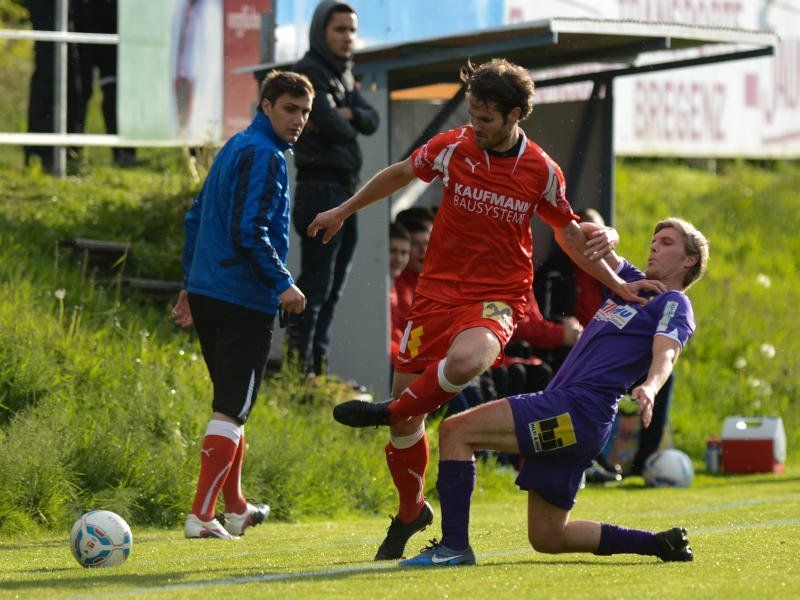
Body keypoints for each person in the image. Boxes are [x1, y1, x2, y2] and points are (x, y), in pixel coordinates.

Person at [310, 58, 663, 560]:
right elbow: (399, 172)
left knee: (465, 362)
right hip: (435, 296)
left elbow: (566, 233)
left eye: (487, 119)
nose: (476, 127)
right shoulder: (454, 146)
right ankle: (412, 509)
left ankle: (391, 413)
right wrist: (344, 209)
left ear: (518, 114)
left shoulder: (541, 170)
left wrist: (614, 284)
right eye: (473, 115)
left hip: (499, 295)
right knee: (405, 428)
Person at [397, 218, 708, 567]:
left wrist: (650, 387)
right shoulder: (631, 284)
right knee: (548, 537)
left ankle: (454, 547)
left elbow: (666, 351)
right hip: (576, 423)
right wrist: (610, 234)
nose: (654, 245)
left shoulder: (674, 303)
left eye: (666, 242)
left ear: (689, 261)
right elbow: (573, 235)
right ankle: (658, 544)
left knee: (457, 431)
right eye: (654, 239)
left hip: (576, 408)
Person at [171, 71, 313, 539]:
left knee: (231, 405)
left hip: (211, 292)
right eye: (290, 108)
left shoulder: (235, 146)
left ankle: (235, 508)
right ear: (267, 105)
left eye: (305, 112)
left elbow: (196, 217)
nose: (298, 120)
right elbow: (250, 232)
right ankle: (202, 516)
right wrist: (283, 284)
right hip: (241, 298)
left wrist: (191, 284)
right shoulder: (265, 155)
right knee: (233, 406)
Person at [287, 0, 379, 378]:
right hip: (320, 190)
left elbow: (369, 120)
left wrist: (350, 114)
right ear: (321, 32)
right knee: (317, 284)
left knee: (334, 286)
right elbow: (333, 125)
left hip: (345, 194)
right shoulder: (310, 71)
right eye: (339, 29)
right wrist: (344, 119)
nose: (348, 38)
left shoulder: (343, 74)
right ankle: (298, 368)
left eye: (352, 30)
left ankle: (317, 370)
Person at [389, 222, 411, 362]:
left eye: (404, 253)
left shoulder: (394, 284)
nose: (398, 259)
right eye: (392, 251)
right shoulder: (384, 289)